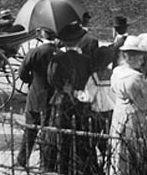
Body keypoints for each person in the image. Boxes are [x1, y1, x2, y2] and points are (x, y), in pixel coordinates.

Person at [45, 22, 97, 175]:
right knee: (81, 136)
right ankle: (80, 168)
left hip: (61, 101)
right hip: (80, 102)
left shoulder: (57, 59)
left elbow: (51, 79)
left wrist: (63, 89)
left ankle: (62, 169)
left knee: (61, 138)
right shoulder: (86, 60)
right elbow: (89, 80)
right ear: (79, 40)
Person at [108, 34, 147, 175]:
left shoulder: (116, 72)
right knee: (133, 151)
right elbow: (144, 104)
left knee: (118, 148)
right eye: (140, 57)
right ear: (131, 57)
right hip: (133, 117)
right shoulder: (136, 78)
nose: (142, 61)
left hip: (118, 114)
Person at [16, 27, 57, 169]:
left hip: (35, 95)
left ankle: (22, 160)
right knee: (48, 132)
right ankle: (46, 164)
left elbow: (21, 73)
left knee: (30, 130)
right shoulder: (59, 54)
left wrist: (31, 81)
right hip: (52, 97)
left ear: (43, 34)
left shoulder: (34, 52)